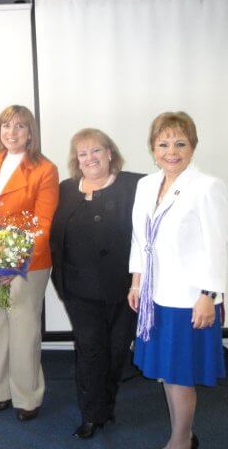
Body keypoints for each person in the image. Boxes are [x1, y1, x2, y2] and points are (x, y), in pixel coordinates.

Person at [128, 112, 226, 449]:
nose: (172, 152)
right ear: (153, 148)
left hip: (189, 300)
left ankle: (181, 439)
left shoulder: (207, 187)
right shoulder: (146, 185)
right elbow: (140, 239)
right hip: (155, 296)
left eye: (180, 144)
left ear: (193, 147)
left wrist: (208, 295)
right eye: (164, 144)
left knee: (180, 374)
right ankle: (184, 434)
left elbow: (218, 246)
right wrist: (136, 282)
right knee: (167, 373)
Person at [49, 129, 142, 438]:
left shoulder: (134, 185)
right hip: (79, 290)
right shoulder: (66, 189)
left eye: (96, 150)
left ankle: (107, 404)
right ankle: (92, 414)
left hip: (123, 290)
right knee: (90, 351)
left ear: (110, 152)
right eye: (83, 153)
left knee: (116, 351)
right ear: (76, 160)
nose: (90, 158)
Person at [0, 104, 59, 421]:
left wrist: (15, 263)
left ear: (30, 132)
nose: (11, 132)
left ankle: (27, 396)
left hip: (29, 263)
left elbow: (43, 224)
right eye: (6, 125)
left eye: (20, 126)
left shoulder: (45, 169)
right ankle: (2, 391)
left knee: (24, 329)